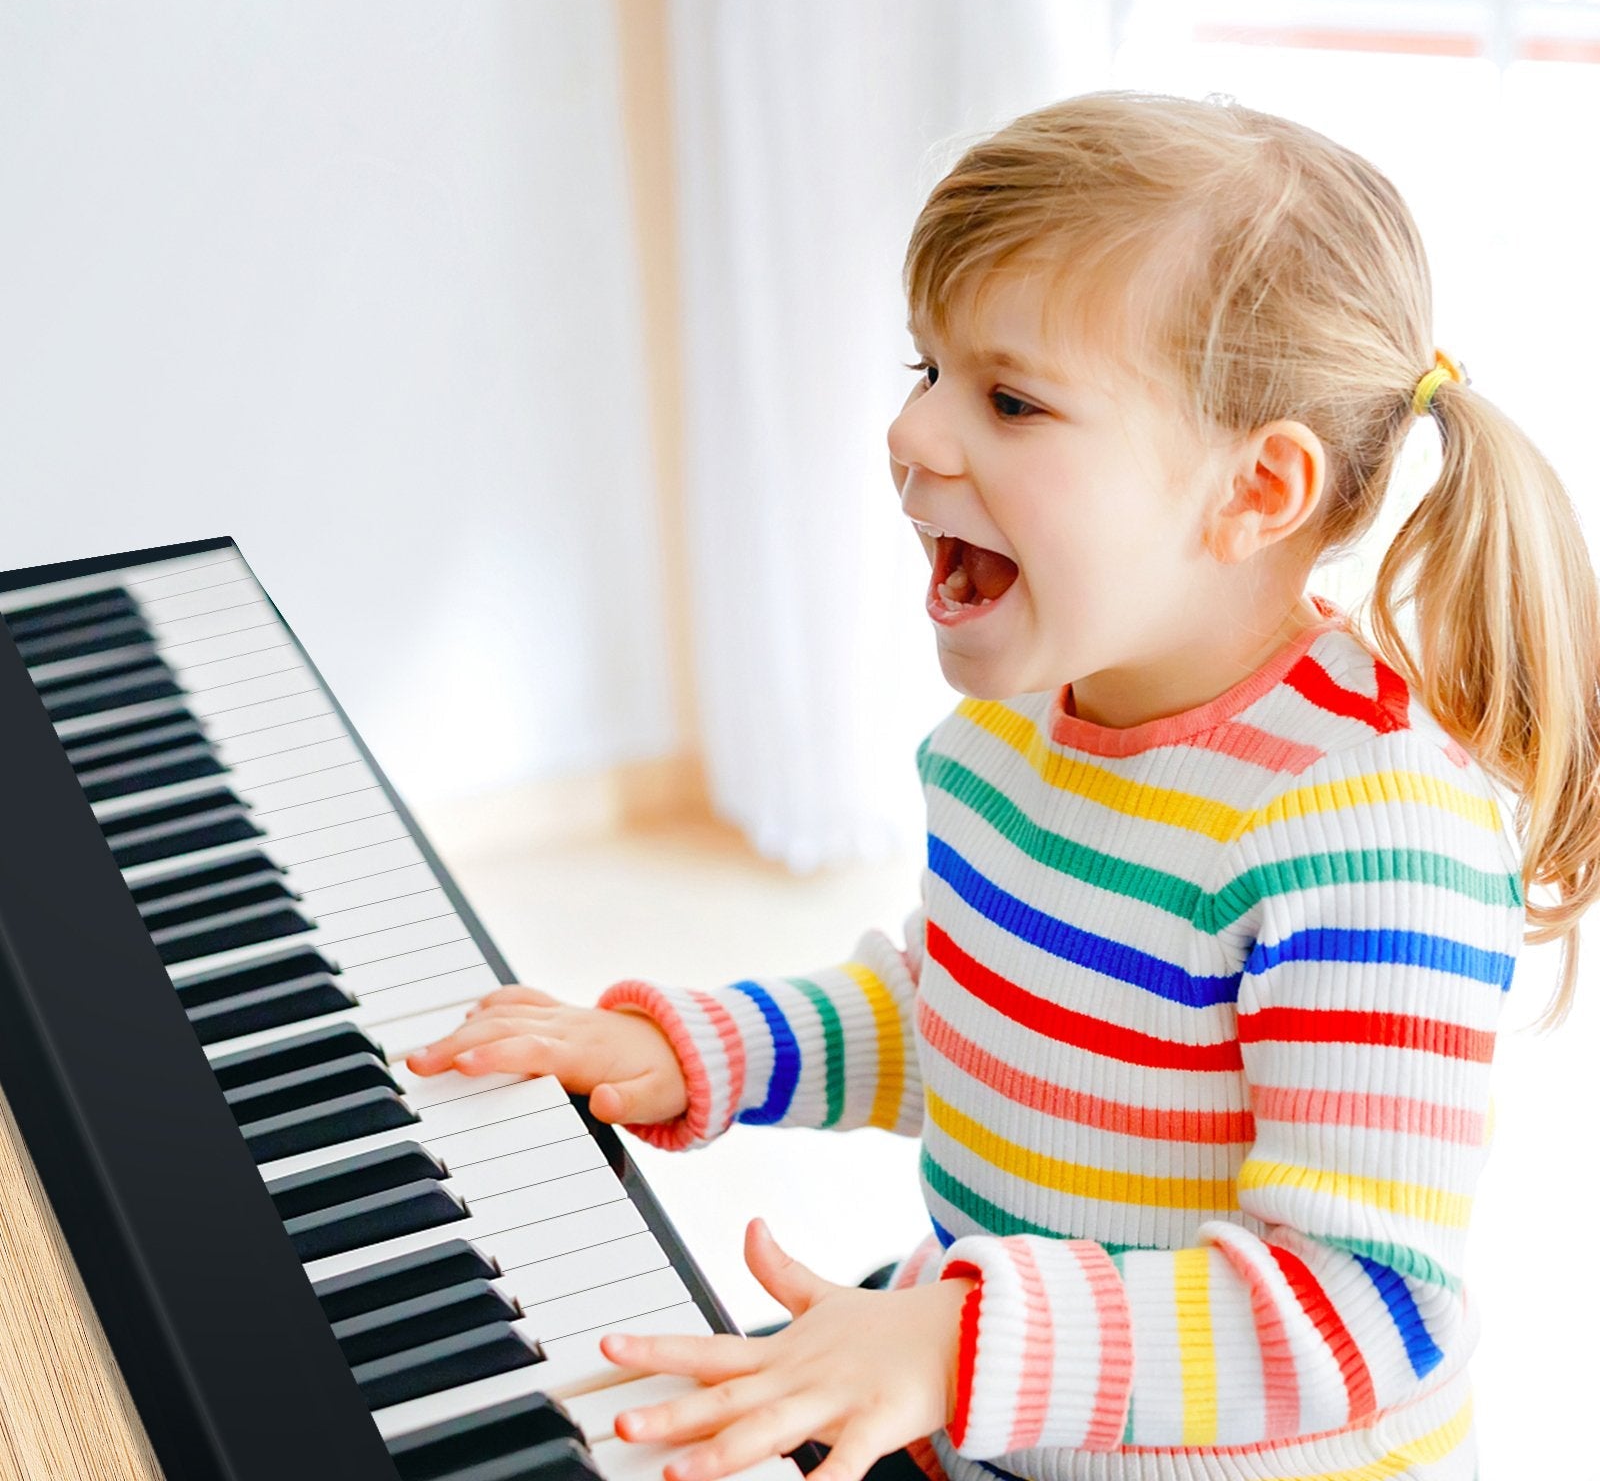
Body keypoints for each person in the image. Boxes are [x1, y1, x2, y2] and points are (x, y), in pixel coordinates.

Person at [406, 91, 1600, 1481]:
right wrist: (697, 1050)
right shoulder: (1016, 731)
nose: (915, 436)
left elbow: (1362, 1315)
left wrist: (949, 1349)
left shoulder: (1370, 840)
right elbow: (972, 1016)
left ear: (1254, 491)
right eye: (925, 369)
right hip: (1004, 1400)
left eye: (1011, 400)